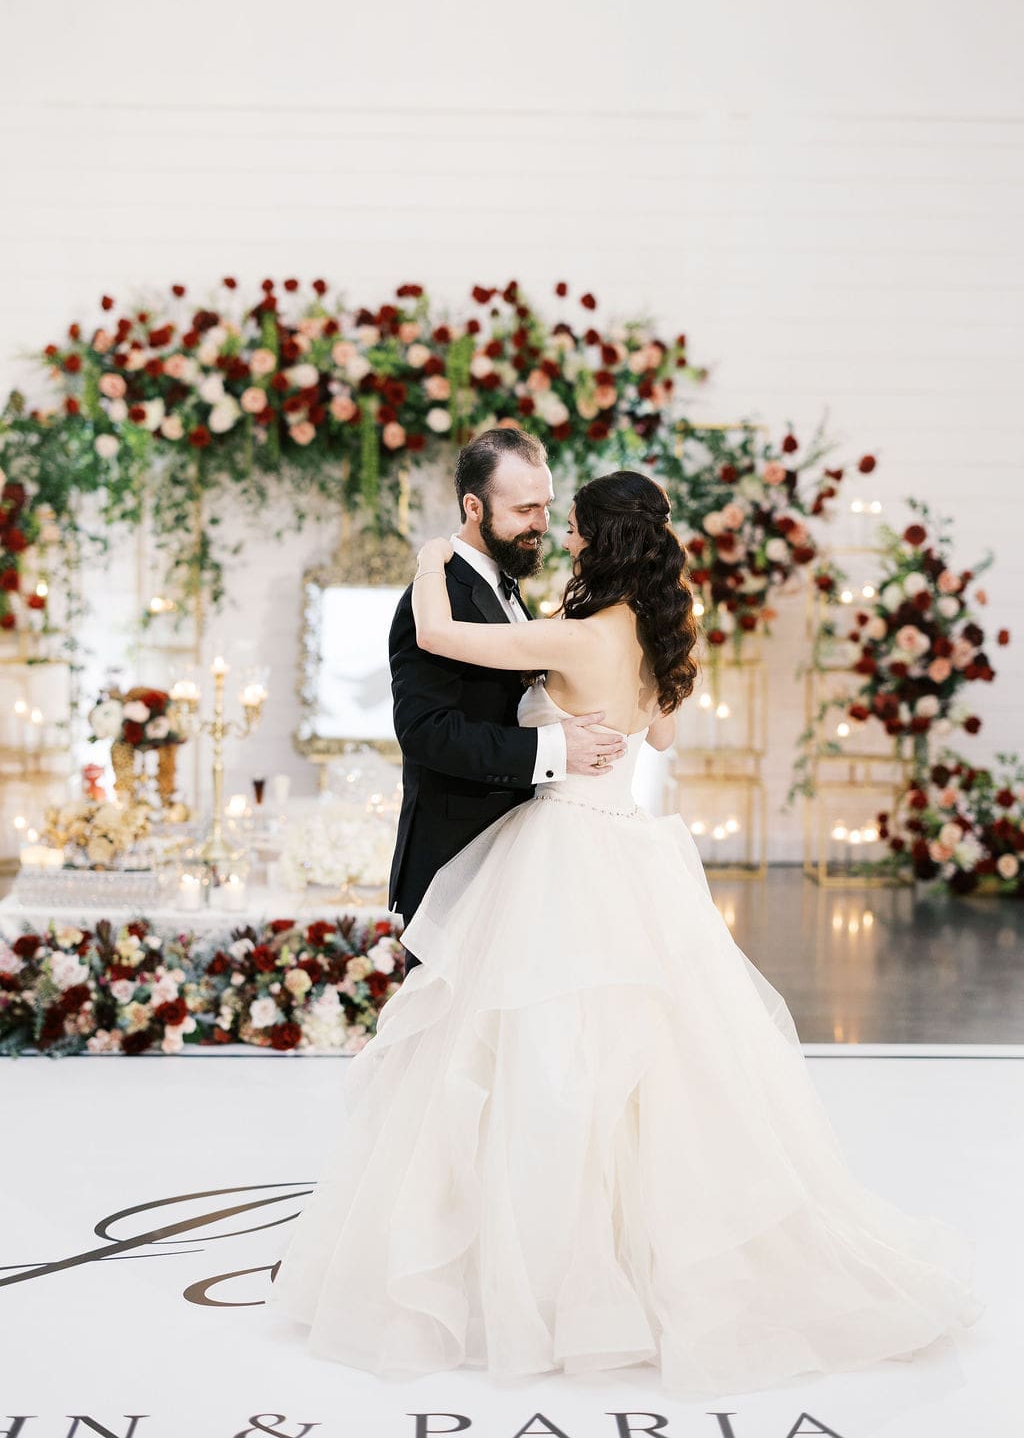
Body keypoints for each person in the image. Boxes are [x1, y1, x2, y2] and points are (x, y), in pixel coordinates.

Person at [268, 469, 983, 1398]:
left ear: (595, 541)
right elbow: (666, 742)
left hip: (562, 848)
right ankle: (636, 1265)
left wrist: (430, 556)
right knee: (657, 1067)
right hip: (636, 850)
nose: (560, 540)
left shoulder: (573, 633)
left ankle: (547, 1279)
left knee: (539, 1065)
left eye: (568, 528)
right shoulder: (657, 633)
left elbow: (442, 634)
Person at [387, 426, 627, 976]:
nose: (541, 525)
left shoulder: (506, 585)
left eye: (545, 507)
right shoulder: (435, 599)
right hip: (455, 857)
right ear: (473, 506)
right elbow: (426, 731)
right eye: (524, 509)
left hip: (518, 860)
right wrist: (553, 747)